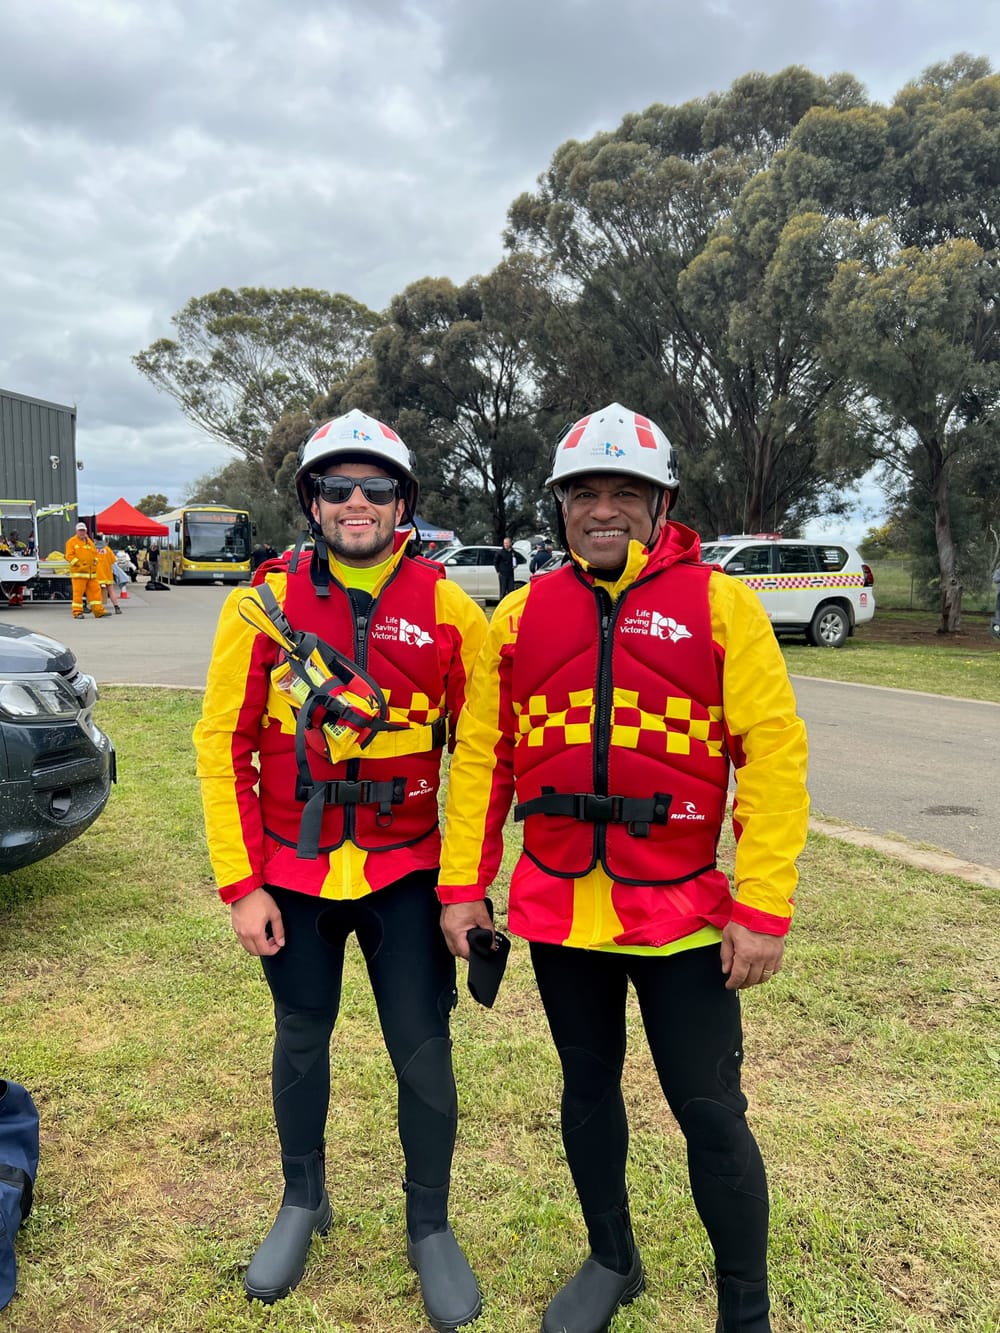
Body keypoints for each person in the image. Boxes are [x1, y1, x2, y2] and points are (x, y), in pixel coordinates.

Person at [437, 402, 809, 1333]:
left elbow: (774, 753)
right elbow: (482, 757)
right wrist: (460, 887)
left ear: (662, 501)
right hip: (564, 913)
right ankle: (613, 1258)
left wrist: (762, 902)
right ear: (561, 507)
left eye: (625, 493)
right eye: (584, 494)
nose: (604, 510)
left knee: (712, 1112)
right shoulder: (519, 618)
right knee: (587, 1087)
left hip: (681, 917)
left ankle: (745, 1310)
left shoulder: (723, 606)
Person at [193, 408, 488, 1330]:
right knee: (301, 1035)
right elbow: (220, 744)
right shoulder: (258, 606)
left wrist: (463, 886)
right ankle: (301, 1199)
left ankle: (430, 1224)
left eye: (375, 487)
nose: (355, 502)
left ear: (404, 502)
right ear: (310, 501)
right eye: (335, 486)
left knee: (421, 1044)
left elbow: (479, 751)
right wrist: (243, 885)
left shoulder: (449, 607)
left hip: (405, 870)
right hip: (295, 874)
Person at [64, 523, 107, 619]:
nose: (82, 532)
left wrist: (95, 561)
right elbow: (69, 556)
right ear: (76, 531)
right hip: (79, 574)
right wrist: (79, 564)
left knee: (96, 592)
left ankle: (98, 611)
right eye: (80, 530)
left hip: (91, 574)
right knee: (78, 594)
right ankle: (77, 612)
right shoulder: (71, 542)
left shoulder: (90, 542)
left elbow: (95, 554)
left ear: (86, 531)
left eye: (83, 530)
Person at [94, 536, 122, 614]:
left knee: (97, 591)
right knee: (111, 590)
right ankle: (117, 607)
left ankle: (99, 608)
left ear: (96, 540)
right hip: (107, 573)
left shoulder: (93, 549)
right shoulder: (107, 549)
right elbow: (113, 560)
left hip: (97, 574)